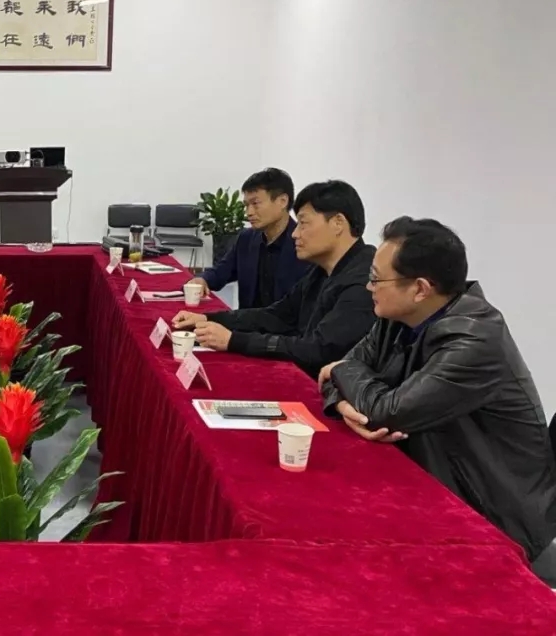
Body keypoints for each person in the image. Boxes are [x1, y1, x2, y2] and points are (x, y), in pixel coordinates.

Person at [319, 217, 556, 584]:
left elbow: (385, 411)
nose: (369, 287)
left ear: (420, 289)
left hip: (490, 514)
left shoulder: (476, 339)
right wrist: (344, 403)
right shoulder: (397, 317)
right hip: (430, 478)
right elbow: (341, 373)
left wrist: (345, 378)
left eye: (377, 279)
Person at [172, 180, 376, 378]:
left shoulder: (364, 282)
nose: (295, 234)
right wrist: (208, 319)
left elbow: (318, 350)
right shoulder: (321, 270)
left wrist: (234, 340)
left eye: (303, 223)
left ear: (338, 223)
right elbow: (277, 315)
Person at [189, 168, 311, 308]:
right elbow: (220, 272)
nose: (249, 212)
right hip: (247, 320)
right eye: (246, 205)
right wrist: (202, 279)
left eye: (255, 204)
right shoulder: (246, 239)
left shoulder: (305, 245)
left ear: (282, 201)